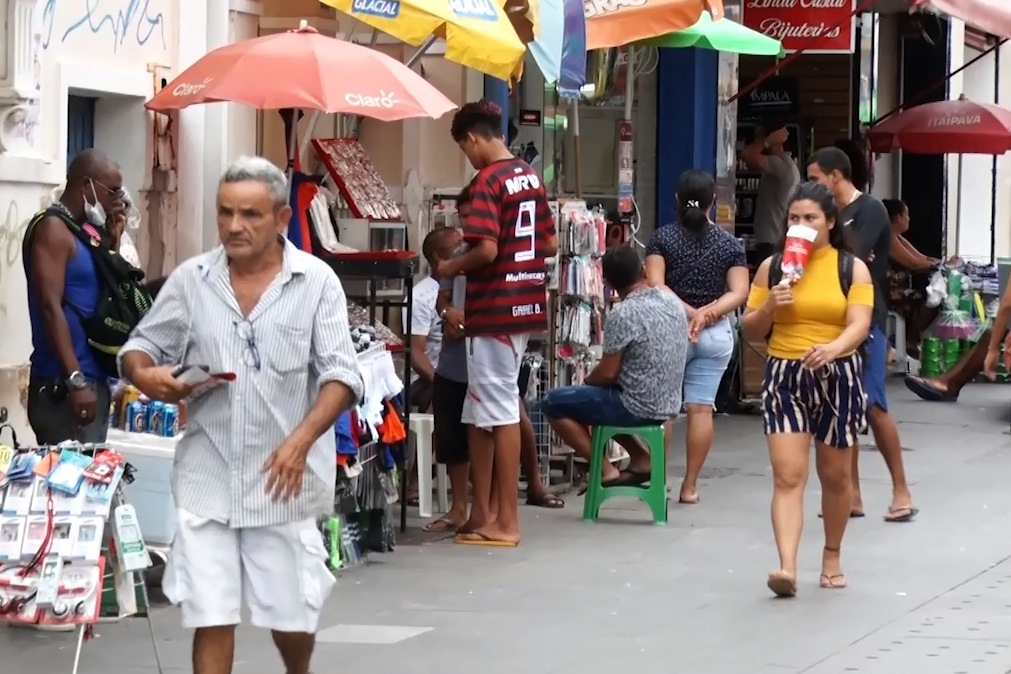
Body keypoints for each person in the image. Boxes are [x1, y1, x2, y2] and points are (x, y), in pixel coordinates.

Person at [118, 156, 363, 674]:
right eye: (225, 212)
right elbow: (139, 347)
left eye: (250, 214)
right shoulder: (192, 280)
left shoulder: (316, 282)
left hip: (282, 482)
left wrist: (300, 441)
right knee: (212, 615)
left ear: (280, 219)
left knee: (291, 619)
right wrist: (146, 375)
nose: (234, 226)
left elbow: (342, 377)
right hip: (207, 476)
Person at [742, 182, 874, 597]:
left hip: (838, 374)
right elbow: (750, 329)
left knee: (835, 477)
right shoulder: (772, 268)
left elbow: (860, 323)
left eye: (811, 218)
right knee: (788, 475)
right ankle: (787, 566)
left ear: (830, 222)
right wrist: (769, 306)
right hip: (785, 373)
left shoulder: (851, 269)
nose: (801, 225)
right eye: (794, 218)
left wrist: (834, 348)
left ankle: (832, 555)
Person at [434, 100, 554, 547]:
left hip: (494, 308)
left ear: (472, 138)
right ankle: (482, 513)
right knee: (479, 410)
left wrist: (450, 267)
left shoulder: (488, 180)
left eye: (464, 149)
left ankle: (507, 521)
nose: (468, 157)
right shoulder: (529, 175)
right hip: (523, 303)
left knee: (500, 411)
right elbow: (549, 241)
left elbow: (485, 249)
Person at [807, 147, 918, 523]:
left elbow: (850, 255)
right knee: (841, 406)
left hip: (866, 318)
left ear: (836, 176)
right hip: (830, 319)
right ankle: (850, 493)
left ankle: (901, 490)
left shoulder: (868, 210)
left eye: (816, 178)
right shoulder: (824, 214)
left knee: (872, 404)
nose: (811, 185)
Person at [644, 169, 748, 504]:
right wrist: (707, 315)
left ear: (677, 200)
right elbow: (739, 292)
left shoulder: (662, 238)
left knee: (666, 411)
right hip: (714, 336)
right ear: (712, 201)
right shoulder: (729, 244)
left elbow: (656, 285)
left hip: (672, 332)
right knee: (701, 410)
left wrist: (690, 313)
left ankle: (659, 483)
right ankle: (689, 487)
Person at [543, 245, 687, 484]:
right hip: (669, 402)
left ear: (608, 282)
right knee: (597, 399)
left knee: (552, 402)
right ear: (644, 271)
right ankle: (641, 458)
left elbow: (608, 373)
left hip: (635, 406)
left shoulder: (623, 313)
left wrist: (588, 381)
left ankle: (604, 468)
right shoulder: (671, 302)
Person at [23, 149, 126, 444]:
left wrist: (113, 239)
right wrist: (75, 379)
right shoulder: (52, 229)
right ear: (86, 185)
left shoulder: (86, 231)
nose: (117, 200)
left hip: (94, 378)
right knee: (70, 471)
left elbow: (107, 293)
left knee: (92, 470)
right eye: (112, 191)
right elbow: (50, 306)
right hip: (65, 384)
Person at [741, 118, 801, 261]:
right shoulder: (776, 165)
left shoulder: (782, 165)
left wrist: (767, 141)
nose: (756, 143)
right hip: (770, 239)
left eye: (759, 138)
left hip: (773, 240)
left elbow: (747, 155)